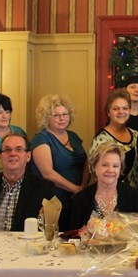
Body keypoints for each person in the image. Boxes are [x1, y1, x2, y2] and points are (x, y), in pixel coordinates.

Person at [30, 94, 88, 231]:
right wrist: (77, 190)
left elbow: (86, 163)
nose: (62, 118)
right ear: (46, 118)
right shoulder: (41, 139)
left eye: (65, 114)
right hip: (53, 203)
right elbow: (48, 174)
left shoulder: (73, 136)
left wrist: (83, 187)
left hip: (75, 201)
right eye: (56, 115)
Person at [70, 142, 138, 230]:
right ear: (94, 166)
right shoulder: (80, 199)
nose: (110, 170)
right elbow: (73, 237)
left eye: (115, 166)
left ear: (121, 168)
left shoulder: (133, 195)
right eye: (105, 165)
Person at [90, 89, 138, 189]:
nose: (121, 112)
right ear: (108, 112)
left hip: (135, 196)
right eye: (116, 109)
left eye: (125, 108)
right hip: (111, 195)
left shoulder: (136, 135)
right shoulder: (101, 140)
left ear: (129, 110)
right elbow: (95, 175)